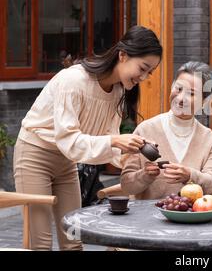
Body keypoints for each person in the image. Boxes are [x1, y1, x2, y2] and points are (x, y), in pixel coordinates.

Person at [14, 25, 163, 250]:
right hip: (35, 155)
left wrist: (134, 150)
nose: (143, 77)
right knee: (41, 244)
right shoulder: (74, 80)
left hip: (66, 162)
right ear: (123, 55)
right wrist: (115, 141)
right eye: (142, 68)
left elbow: (105, 140)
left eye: (149, 72)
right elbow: (70, 140)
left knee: (73, 238)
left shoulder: (118, 91)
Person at [121, 62, 212, 199]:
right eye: (178, 89)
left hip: (190, 217)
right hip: (147, 218)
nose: (180, 99)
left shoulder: (209, 139)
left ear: (204, 102)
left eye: (191, 93)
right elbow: (126, 185)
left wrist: (190, 175)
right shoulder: (145, 130)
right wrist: (144, 175)